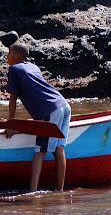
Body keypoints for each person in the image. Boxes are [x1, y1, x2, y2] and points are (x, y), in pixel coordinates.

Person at [5, 42, 71, 192]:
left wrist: (11, 124)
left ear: (16, 56)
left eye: (9, 52)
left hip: (50, 110)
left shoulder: (14, 69)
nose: (6, 56)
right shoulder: (34, 67)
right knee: (59, 149)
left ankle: (32, 192)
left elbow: (13, 99)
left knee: (39, 150)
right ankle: (60, 191)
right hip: (64, 105)